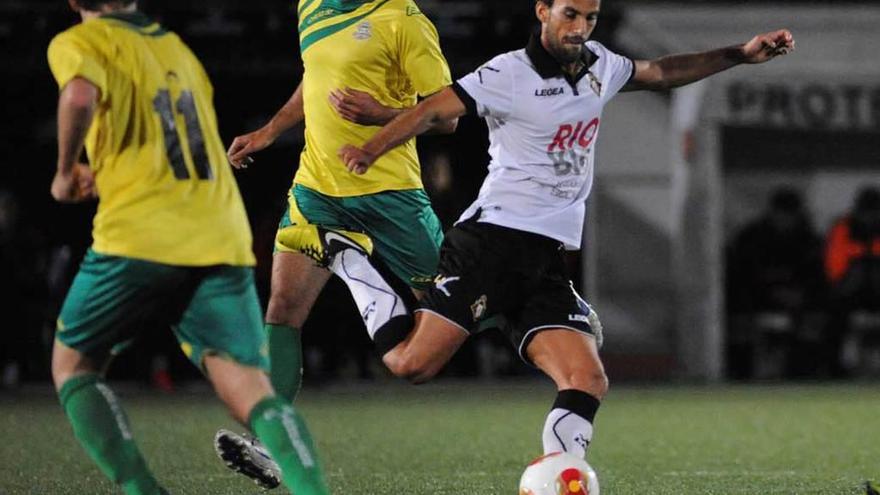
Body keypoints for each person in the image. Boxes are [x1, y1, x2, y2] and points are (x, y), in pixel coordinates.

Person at [332, 0, 795, 462]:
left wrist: (739, 53)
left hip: (544, 258)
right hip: (492, 241)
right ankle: (350, 260)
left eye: (590, 18)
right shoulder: (508, 73)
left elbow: (662, 71)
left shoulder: (601, 65)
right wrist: (371, 149)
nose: (580, 28)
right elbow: (434, 110)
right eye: (570, 15)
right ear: (542, 11)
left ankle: (561, 479)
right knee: (411, 364)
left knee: (587, 380)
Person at [47, 1, 330, 494]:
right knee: (250, 390)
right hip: (218, 232)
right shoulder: (175, 48)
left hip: (142, 229)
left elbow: (77, 95)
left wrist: (66, 172)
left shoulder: (80, 42)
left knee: (74, 366)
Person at [215, 0, 458, 485]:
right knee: (282, 309)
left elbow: (447, 116)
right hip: (318, 190)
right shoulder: (312, 7)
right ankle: (269, 448)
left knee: (457, 307)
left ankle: (549, 304)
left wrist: (380, 115)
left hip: (391, 194)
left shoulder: (403, 18)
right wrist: (270, 130)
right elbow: (315, 78)